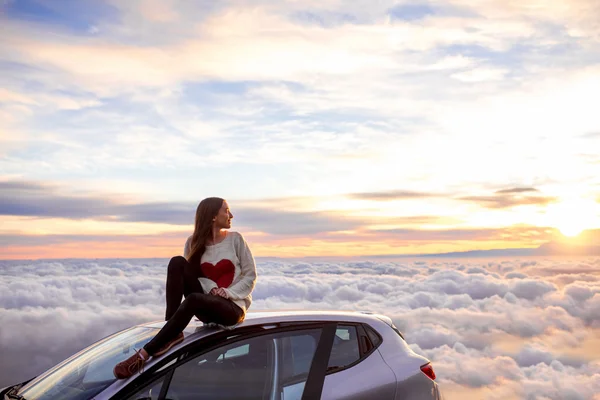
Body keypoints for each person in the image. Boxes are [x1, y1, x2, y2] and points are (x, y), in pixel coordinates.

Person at [113, 197, 258, 379]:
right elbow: (193, 277)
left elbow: (250, 275)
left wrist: (227, 292)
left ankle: (143, 354)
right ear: (213, 216)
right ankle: (172, 330)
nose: (231, 215)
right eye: (226, 211)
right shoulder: (193, 242)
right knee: (177, 263)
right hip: (204, 305)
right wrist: (212, 287)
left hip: (231, 309)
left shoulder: (236, 239)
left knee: (194, 299)